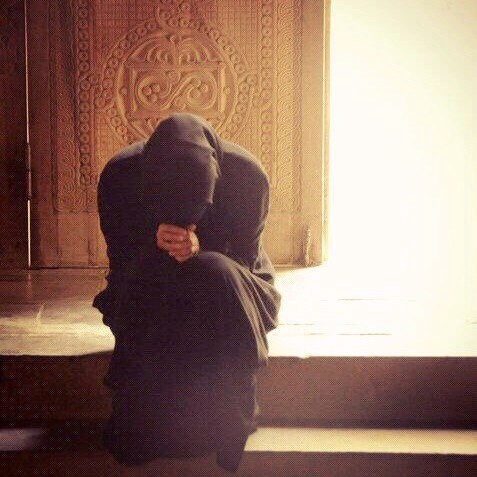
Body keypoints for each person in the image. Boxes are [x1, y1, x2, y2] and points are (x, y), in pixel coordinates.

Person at [93, 112, 281, 472]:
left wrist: (201, 248)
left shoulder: (247, 176)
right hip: (146, 280)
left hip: (234, 284)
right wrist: (154, 245)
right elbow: (121, 261)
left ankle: (232, 417)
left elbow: (245, 258)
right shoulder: (120, 176)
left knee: (213, 271)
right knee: (153, 273)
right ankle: (143, 419)